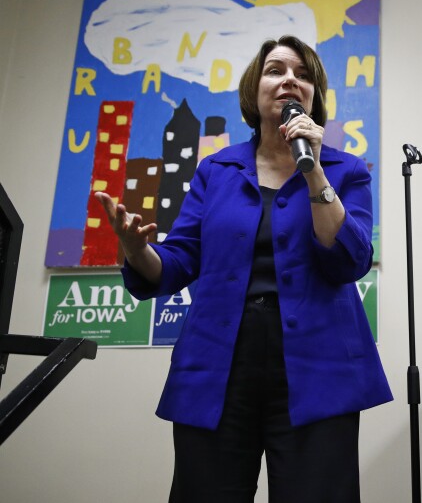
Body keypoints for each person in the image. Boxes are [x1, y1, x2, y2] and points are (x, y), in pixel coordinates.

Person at [96, 35, 393, 502]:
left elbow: (349, 260)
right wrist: (136, 250)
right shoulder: (216, 170)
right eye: (276, 70)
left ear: (314, 97)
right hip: (219, 363)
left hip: (319, 366)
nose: (290, 80)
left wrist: (314, 170)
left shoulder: (346, 170)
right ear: (254, 89)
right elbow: (177, 263)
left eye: (303, 75)